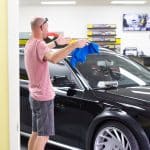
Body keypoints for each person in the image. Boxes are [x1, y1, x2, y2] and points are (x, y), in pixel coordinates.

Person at [24, 17, 88, 150]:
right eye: (47, 27)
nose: (48, 30)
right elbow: (54, 58)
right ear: (41, 27)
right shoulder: (39, 44)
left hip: (35, 96)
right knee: (44, 136)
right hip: (43, 97)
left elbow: (43, 50)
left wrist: (56, 43)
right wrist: (74, 45)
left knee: (36, 133)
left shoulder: (30, 43)